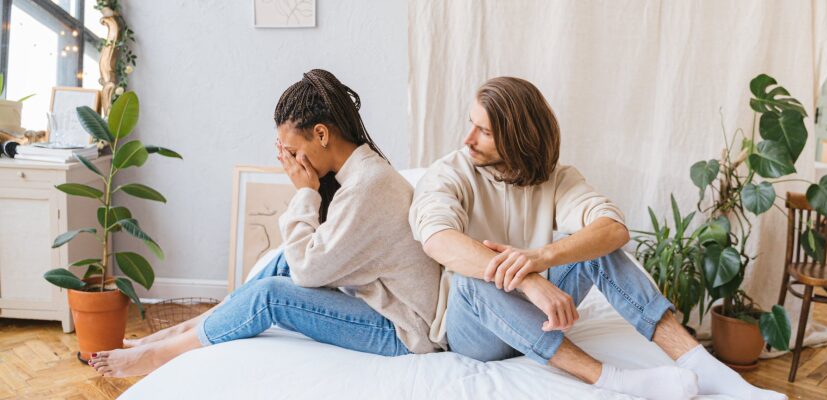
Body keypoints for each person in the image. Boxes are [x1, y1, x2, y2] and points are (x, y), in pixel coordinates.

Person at [409, 76, 787, 400]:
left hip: (535, 314)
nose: (468, 138)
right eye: (472, 124)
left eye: (485, 131)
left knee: (594, 245)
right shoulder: (449, 173)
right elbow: (438, 239)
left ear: (518, 138)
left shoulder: (555, 177)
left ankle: (701, 366)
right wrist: (529, 281)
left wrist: (540, 258)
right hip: (478, 332)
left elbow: (612, 228)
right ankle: (613, 379)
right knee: (468, 283)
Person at [89, 69, 444, 377]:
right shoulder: (362, 175)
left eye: (291, 151)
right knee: (282, 259)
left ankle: (160, 354)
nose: (289, 161)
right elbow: (309, 258)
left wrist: (306, 192)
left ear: (321, 134)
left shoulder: (370, 185)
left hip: (405, 331)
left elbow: (307, 272)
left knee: (269, 295)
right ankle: (187, 328)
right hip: (388, 309)